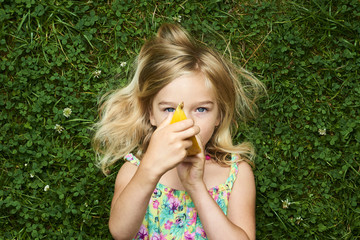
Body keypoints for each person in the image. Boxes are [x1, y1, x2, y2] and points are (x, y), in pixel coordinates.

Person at [93, 23, 265, 240]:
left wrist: (196, 187)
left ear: (219, 116)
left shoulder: (236, 173)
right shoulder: (135, 169)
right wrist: (149, 171)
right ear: (151, 115)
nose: (185, 122)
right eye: (169, 109)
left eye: (201, 109)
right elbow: (120, 232)